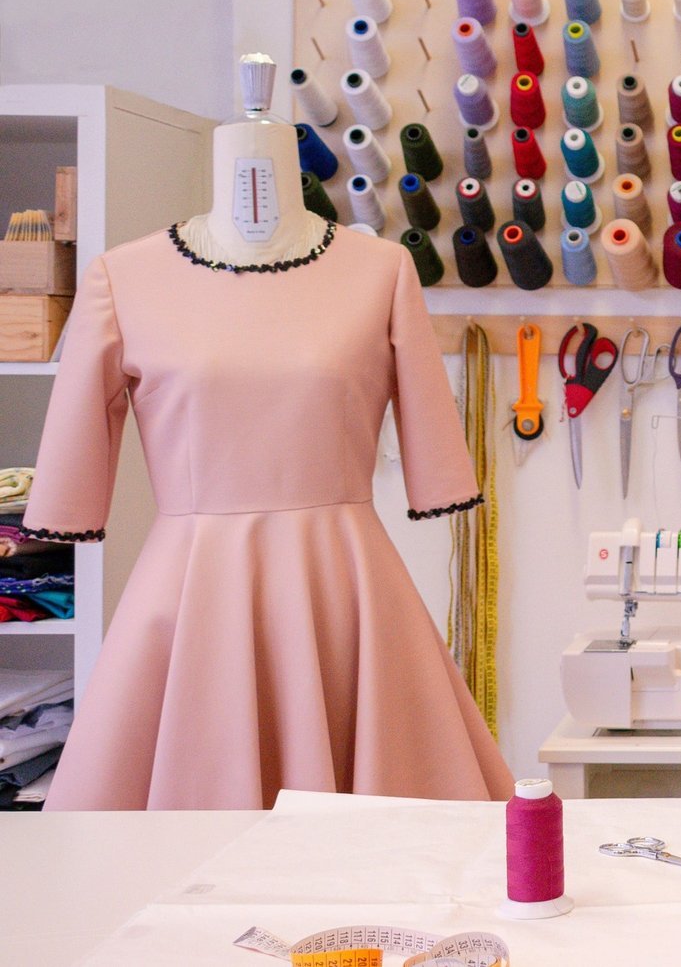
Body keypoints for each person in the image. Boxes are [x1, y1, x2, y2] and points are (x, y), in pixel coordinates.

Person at [20, 58, 514, 809]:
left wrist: (440, 478)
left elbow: (432, 437)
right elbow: (72, 457)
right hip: (194, 585)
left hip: (343, 585)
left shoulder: (381, 270)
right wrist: (66, 505)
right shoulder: (123, 276)